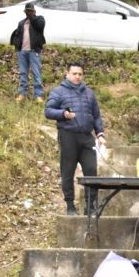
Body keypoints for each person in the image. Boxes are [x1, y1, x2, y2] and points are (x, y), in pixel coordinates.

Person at [44, 62, 105, 216]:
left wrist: (100, 133)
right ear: (67, 74)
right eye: (74, 73)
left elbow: (96, 116)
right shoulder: (58, 92)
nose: (77, 76)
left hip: (86, 137)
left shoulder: (89, 93)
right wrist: (63, 114)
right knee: (68, 171)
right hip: (68, 135)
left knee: (91, 171)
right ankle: (70, 205)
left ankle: (90, 207)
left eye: (80, 74)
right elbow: (48, 111)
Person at [10, 3, 45, 103]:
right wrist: (17, 47)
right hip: (22, 51)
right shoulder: (21, 23)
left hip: (34, 51)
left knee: (36, 73)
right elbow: (17, 36)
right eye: (27, 11)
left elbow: (40, 27)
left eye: (30, 11)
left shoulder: (39, 19)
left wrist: (32, 17)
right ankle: (22, 94)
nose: (28, 13)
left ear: (34, 11)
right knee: (23, 73)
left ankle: (38, 95)